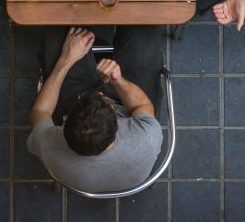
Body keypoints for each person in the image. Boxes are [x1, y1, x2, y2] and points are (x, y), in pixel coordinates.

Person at [27, 27, 163, 193]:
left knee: (59, 30)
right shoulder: (146, 138)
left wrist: (66, 59)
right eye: (107, 102)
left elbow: (40, 111)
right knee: (143, 28)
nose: (100, 92)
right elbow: (143, 106)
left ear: (64, 128)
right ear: (118, 126)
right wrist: (118, 80)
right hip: (126, 102)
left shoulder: (50, 146)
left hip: (74, 97)